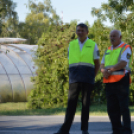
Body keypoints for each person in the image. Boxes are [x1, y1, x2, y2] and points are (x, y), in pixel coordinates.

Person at [54, 23, 100, 134]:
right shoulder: (71, 44)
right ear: (76, 32)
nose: (80, 32)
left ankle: (84, 130)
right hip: (74, 79)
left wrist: (92, 77)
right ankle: (64, 130)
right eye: (78, 30)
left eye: (82, 30)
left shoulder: (93, 44)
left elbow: (97, 63)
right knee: (71, 105)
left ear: (87, 32)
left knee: (85, 105)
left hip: (87, 79)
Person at [100, 30, 133, 134]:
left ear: (120, 37)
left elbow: (123, 63)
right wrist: (103, 71)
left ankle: (127, 130)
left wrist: (110, 70)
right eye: (110, 36)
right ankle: (116, 130)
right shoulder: (108, 49)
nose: (112, 38)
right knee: (111, 108)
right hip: (109, 81)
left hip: (121, 80)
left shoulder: (126, 48)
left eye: (114, 36)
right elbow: (102, 64)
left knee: (123, 107)